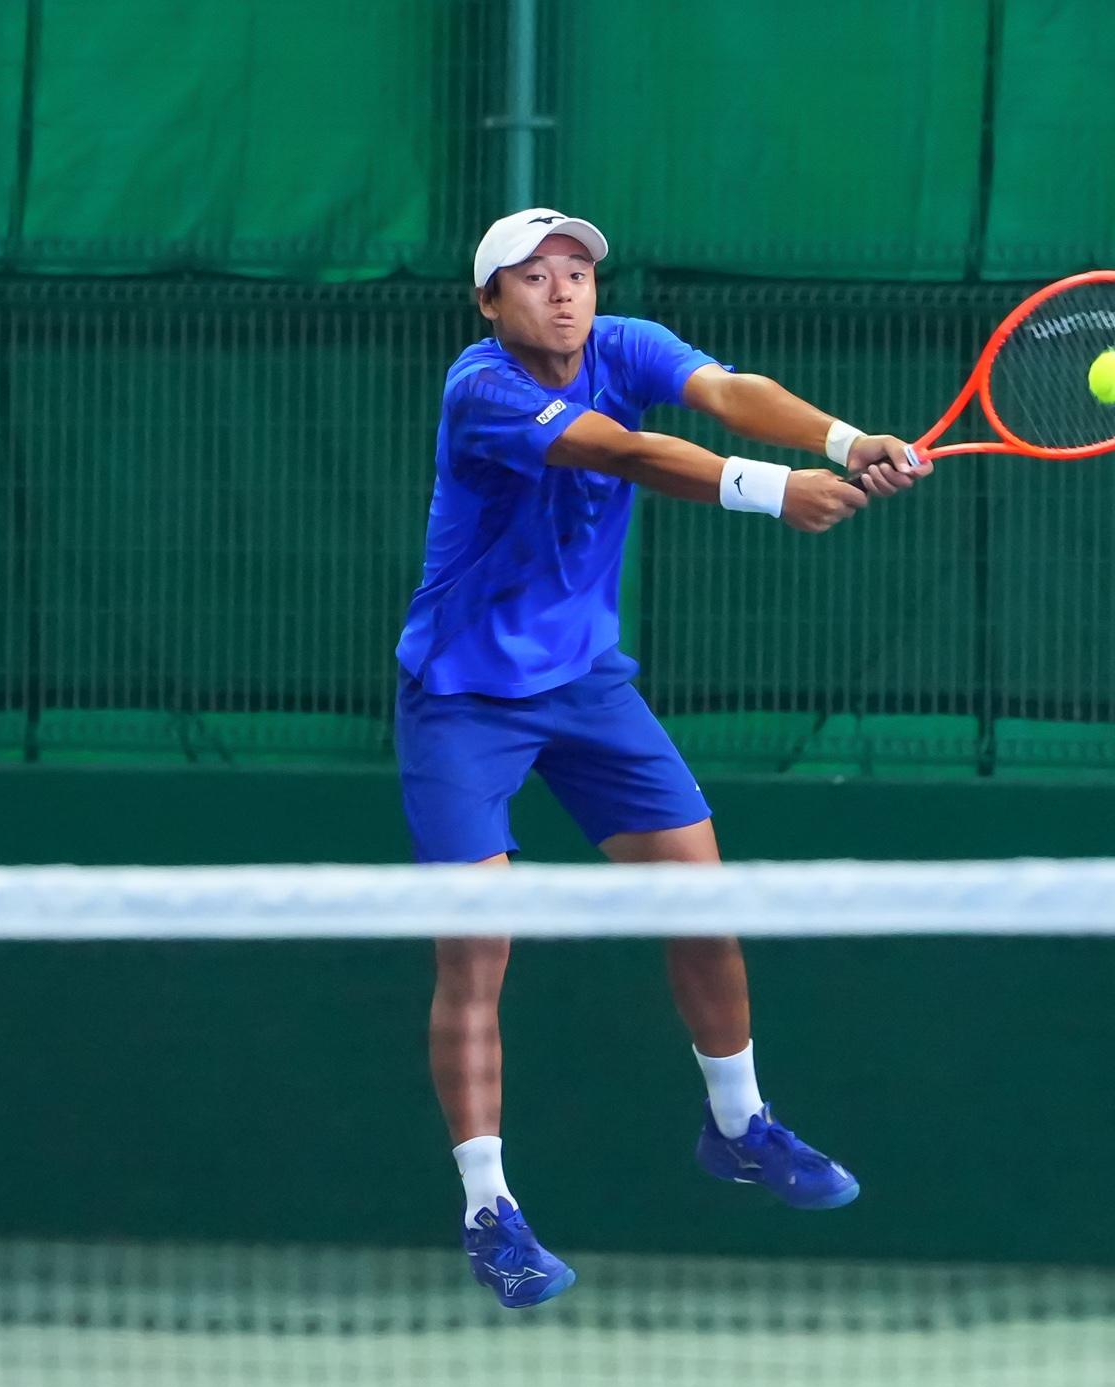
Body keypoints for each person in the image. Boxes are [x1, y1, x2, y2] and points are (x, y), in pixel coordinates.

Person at [398, 208, 930, 1309]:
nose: (563, 291)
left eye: (578, 271)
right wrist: (775, 491)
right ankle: (489, 1211)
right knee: (478, 950)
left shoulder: (626, 344)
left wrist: (842, 442)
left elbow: (730, 394)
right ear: (489, 302)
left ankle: (739, 1125)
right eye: (533, 277)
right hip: (462, 697)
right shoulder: (481, 388)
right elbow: (628, 451)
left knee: (702, 902)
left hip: (588, 686)